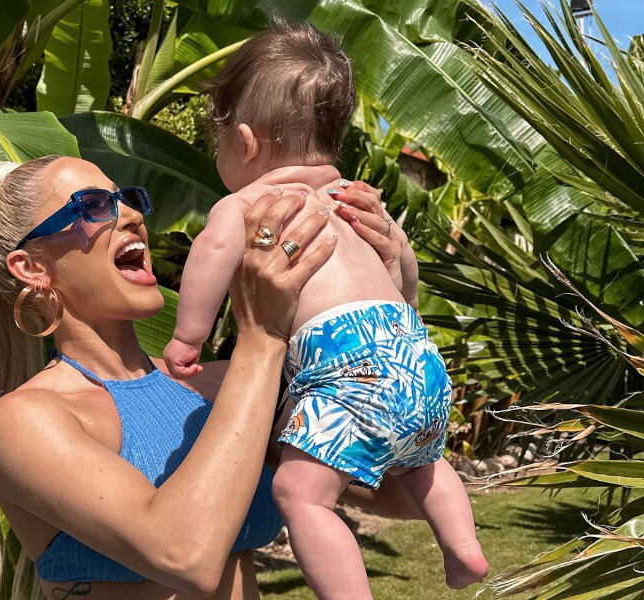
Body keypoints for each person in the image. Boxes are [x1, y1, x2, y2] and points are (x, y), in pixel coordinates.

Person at [0, 154, 419, 600]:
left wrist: (394, 297)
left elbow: (397, 491)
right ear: (31, 267)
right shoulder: (28, 421)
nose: (131, 215)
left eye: (125, 198)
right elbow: (184, 553)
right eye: (93, 207)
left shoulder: (218, 389)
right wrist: (262, 337)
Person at [163, 21, 488, 599]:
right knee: (421, 463)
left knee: (300, 494)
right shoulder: (352, 203)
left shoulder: (249, 204)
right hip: (417, 358)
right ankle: (463, 549)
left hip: (349, 368)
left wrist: (189, 336)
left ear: (244, 141)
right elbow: (402, 267)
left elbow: (211, 253)